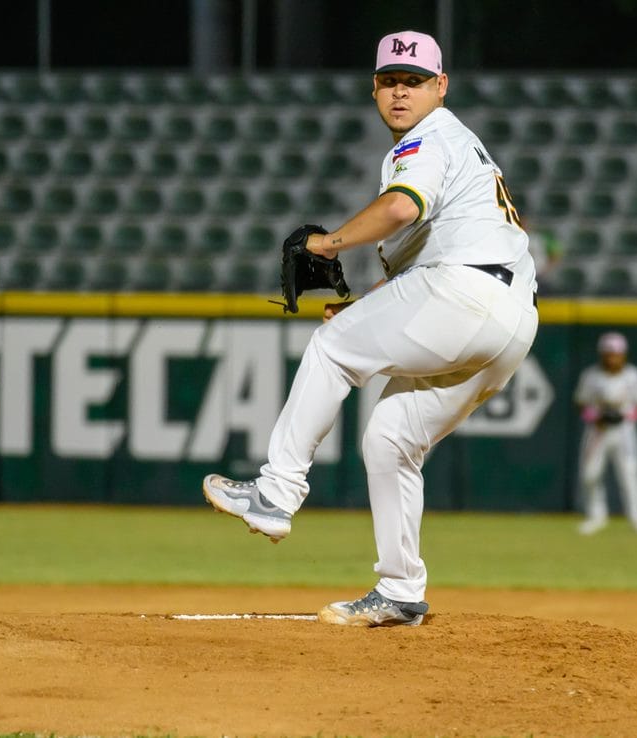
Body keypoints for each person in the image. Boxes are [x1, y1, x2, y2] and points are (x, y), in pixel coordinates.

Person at [201, 30, 538, 627]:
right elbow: (432, 244)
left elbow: (403, 207)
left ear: (441, 87)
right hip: (508, 321)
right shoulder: (458, 146)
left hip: (465, 293)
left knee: (331, 349)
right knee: (389, 440)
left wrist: (327, 243)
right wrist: (372, 303)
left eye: (414, 81)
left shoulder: (429, 138)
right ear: (374, 89)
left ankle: (276, 493)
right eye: (390, 81)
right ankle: (402, 590)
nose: (400, 92)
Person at [573, 331, 637, 536]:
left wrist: (630, 416)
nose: (612, 358)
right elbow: (580, 402)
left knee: (629, 474)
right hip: (598, 430)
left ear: (623, 355)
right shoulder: (590, 375)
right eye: (608, 353)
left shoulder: (634, 375)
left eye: (616, 354)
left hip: (624, 430)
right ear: (602, 354)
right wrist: (594, 417)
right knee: (590, 474)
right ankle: (596, 516)